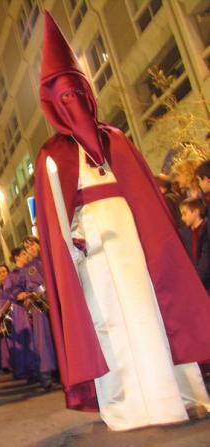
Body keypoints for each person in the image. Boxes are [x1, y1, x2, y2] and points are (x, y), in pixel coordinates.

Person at [34, 12, 210, 431]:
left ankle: (172, 393)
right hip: (93, 251)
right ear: (51, 106)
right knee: (109, 321)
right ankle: (128, 401)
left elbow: (146, 198)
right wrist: (70, 239)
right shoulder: (50, 156)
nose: (72, 102)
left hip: (135, 242)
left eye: (77, 92)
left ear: (88, 93)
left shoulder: (116, 139)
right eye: (63, 99)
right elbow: (56, 216)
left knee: (152, 309)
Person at [18, 237, 57, 390]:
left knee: (58, 336)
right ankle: (46, 374)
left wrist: (39, 291)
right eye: (27, 246)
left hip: (54, 302)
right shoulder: (27, 268)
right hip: (38, 308)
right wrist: (24, 295)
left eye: (32, 244)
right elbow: (22, 288)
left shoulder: (49, 258)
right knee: (43, 340)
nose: (31, 248)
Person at [4, 248, 39, 382]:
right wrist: (18, 295)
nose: (27, 256)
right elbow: (8, 291)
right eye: (24, 254)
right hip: (21, 310)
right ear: (17, 257)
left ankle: (42, 369)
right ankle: (31, 371)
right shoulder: (12, 274)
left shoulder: (31, 269)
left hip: (35, 306)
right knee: (26, 339)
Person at [179, 198, 210, 292]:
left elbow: (205, 262)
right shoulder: (185, 233)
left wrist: (193, 281)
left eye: (185, 213)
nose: (182, 218)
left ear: (196, 212)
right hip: (195, 281)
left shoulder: (206, 231)